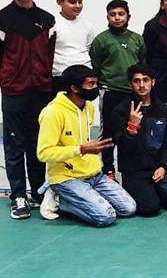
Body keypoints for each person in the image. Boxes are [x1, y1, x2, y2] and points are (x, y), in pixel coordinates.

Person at [37, 65, 136, 226]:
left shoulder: (88, 106)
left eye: (96, 83)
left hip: (93, 174)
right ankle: (59, 199)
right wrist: (81, 149)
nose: (96, 88)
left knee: (129, 208)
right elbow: (43, 153)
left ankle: (83, 197)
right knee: (106, 217)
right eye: (91, 84)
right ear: (74, 88)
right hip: (66, 177)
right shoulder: (53, 113)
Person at [1, 0, 55, 218]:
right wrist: (8, 80)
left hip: (41, 92)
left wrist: (45, 81)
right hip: (14, 91)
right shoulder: (3, 19)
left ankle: (37, 192)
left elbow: (51, 55)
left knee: (38, 145)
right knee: (14, 145)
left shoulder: (47, 20)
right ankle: (18, 196)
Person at [112, 63, 167, 216]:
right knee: (150, 209)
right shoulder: (121, 110)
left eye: (145, 80)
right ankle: (145, 192)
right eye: (137, 81)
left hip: (159, 167)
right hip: (135, 170)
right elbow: (123, 147)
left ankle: (154, 191)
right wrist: (132, 127)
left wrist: (164, 166)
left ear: (153, 82)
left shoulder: (163, 109)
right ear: (130, 83)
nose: (142, 85)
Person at [90, 0, 147, 179]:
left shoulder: (137, 39)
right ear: (107, 17)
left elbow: (142, 64)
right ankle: (108, 168)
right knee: (108, 132)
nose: (117, 18)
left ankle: (132, 165)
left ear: (128, 16)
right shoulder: (101, 40)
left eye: (121, 14)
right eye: (113, 14)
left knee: (133, 128)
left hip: (132, 92)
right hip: (109, 91)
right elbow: (96, 66)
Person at [52, 0, 94, 93]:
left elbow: (88, 48)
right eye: (72, 2)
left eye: (80, 2)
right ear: (59, 2)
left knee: (84, 109)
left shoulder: (87, 24)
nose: (77, 6)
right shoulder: (52, 23)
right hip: (59, 76)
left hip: (85, 76)